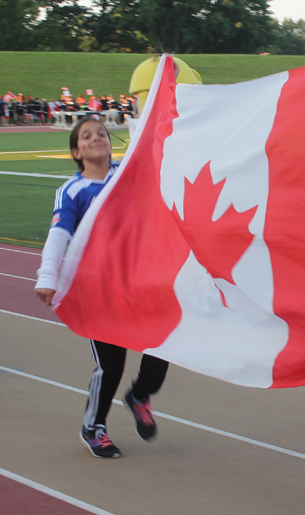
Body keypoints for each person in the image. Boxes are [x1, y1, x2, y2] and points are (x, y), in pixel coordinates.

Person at [35, 116, 169, 459]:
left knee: (166, 345)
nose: (96, 138)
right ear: (77, 151)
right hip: (99, 292)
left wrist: (148, 110)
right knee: (111, 366)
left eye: (102, 133)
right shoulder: (72, 191)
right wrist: (47, 276)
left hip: (139, 283)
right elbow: (58, 235)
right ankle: (93, 427)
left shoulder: (126, 173)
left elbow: (156, 154)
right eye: (86, 136)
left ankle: (139, 396)